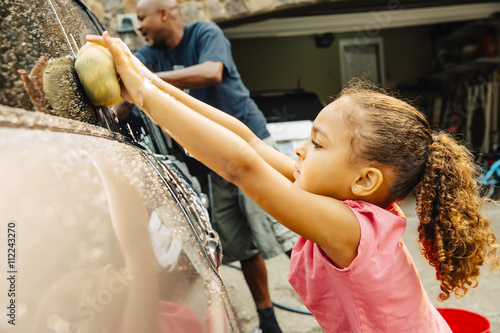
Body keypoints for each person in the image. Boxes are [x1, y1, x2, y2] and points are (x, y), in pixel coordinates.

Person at [88, 32, 500, 332]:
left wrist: (143, 95)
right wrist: (151, 79)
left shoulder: (350, 228)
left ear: (364, 180)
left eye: (317, 144)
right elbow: (248, 139)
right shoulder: (338, 197)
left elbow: (243, 166)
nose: (301, 151)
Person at [113, 1, 297, 332]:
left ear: (165, 14)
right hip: (213, 163)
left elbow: (211, 72)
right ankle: (269, 322)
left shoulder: (205, 33)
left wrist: (142, 82)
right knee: (240, 244)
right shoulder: (149, 55)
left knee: (286, 231)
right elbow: (124, 90)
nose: (138, 26)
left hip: (253, 149)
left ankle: (331, 300)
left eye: (142, 18)